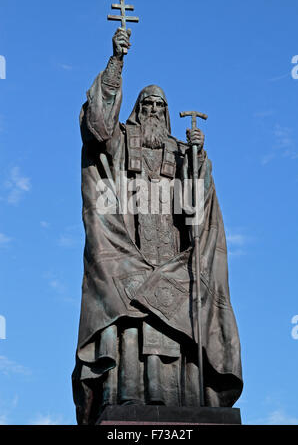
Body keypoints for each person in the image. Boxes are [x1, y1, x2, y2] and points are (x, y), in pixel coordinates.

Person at [72, 28, 243, 425]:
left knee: (179, 325)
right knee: (131, 315)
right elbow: (97, 126)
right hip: (128, 251)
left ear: (167, 114)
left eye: (159, 107)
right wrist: (117, 61)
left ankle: (186, 396)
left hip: (173, 254)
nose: (152, 112)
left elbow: (197, 209)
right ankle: (127, 395)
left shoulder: (181, 152)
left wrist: (199, 161)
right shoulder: (121, 140)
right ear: (137, 110)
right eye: (146, 105)